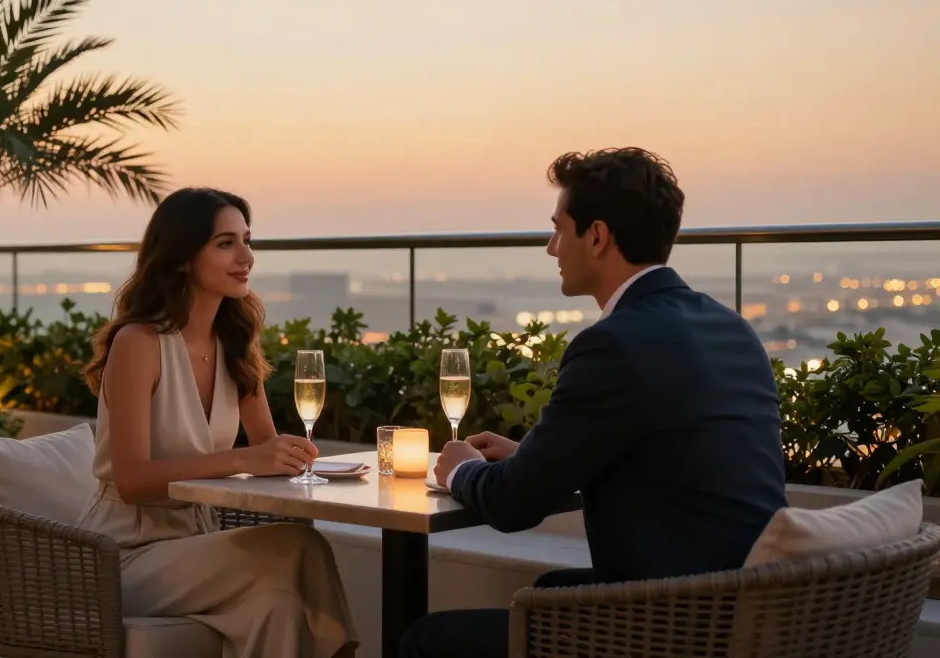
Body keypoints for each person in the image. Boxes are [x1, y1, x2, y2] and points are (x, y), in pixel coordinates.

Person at [400, 148, 787, 658]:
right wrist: (532, 455)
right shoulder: (732, 329)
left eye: (559, 229)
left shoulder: (614, 343)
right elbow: (662, 459)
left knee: (425, 641)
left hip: (669, 631)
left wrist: (458, 470)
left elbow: (513, 505)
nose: (551, 247)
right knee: (551, 589)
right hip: (743, 611)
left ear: (598, 237)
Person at [80, 187, 358, 658]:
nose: (246, 256)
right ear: (184, 256)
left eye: (247, 240)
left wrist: (299, 462)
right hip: (125, 555)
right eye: (225, 243)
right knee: (299, 546)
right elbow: (131, 482)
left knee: (279, 609)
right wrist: (245, 458)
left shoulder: (233, 342)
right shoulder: (139, 343)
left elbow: (268, 452)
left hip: (198, 544)